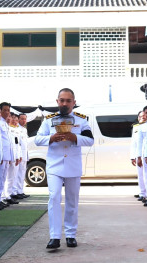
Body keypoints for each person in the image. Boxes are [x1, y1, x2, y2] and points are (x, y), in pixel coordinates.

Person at [35, 88, 94, 249]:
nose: (65, 103)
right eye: (62, 100)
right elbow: (37, 139)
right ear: (57, 102)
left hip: (73, 165)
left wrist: (74, 137)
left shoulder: (81, 121)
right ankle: (54, 236)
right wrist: (51, 138)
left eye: (68, 100)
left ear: (74, 102)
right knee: (54, 197)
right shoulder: (48, 120)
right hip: (54, 165)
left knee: (72, 200)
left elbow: (90, 140)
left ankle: (70, 235)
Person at [130, 111, 146, 201]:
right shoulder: (135, 127)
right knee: (140, 176)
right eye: (140, 116)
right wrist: (132, 157)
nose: (142, 117)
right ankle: (142, 193)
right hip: (138, 155)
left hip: (146, 154)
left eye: (144, 116)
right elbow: (133, 143)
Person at [15, 113, 30, 198]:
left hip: (24, 154)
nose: (24, 120)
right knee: (17, 174)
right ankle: (16, 191)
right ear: (18, 119)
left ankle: (20, 190)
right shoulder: (16, 128)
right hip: (19, 154)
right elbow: (18, 144)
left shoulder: (24, 129)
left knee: (22, 173)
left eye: (25, 119)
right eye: (22, 119)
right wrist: (19, 155)